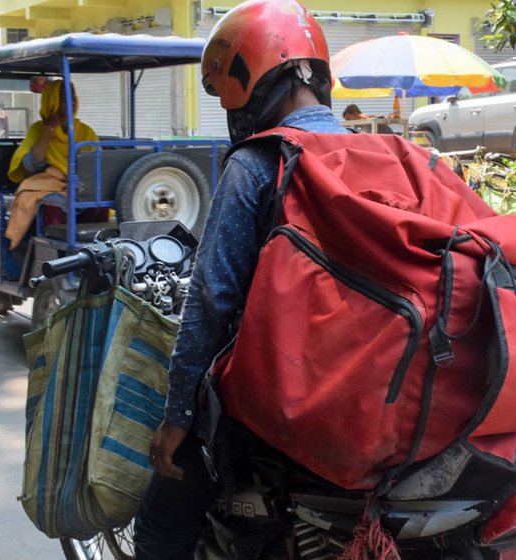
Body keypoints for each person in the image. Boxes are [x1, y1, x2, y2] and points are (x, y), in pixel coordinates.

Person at [133, 1, 345, 558]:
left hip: (279, 400)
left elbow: (211, 299)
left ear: (248, 78)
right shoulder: (386, 153)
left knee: (158, 528)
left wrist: (178, 417)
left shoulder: (257, 164)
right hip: (373, 389)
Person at [3, 79, 98, 249]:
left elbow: (94, 165)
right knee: (54, 203)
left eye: (73, 96)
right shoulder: (37, 130)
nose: (73, 101)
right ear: (52, 102)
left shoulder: (85, 132)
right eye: (63, 97)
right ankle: (54, 254)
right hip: (47, 183)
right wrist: (50, 129)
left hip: (78, 185)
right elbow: (32, 164)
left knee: (99, 204)